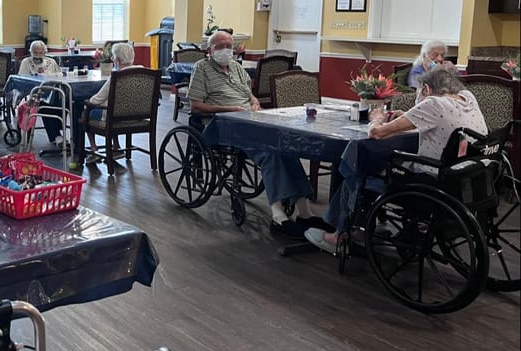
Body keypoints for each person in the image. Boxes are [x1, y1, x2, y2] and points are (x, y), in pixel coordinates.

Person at [305, 68, 488, 252]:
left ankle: (340, 235)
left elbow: (376, 133)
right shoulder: (468, 98)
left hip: (431, 184)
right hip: (464, 180)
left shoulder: (434, 103)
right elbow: (442, 123)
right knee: (371, 164)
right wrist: (409, 116)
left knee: (360, 169)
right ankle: (362, 227)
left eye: (417, 92)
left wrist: (377, 118)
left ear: (426, 89)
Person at [188, 30, 324, 239]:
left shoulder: (236, 68)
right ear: (210, 50)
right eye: (220, 46)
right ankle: (279, 216)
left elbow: (250, 96)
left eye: (229, 46)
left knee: (285, 149)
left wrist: (255, 104)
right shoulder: (202, 69)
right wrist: (231, 110)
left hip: (249, 119)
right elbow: (195, 105)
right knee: (268, 153)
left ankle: (305, 212)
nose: (225, 50)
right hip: (222, 123)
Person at [82, 42, 142, 164]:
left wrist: (86, 102)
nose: (112, 59)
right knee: (114, 107)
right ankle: (116, 147)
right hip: (139, 117)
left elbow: (96, 100)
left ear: (117, 60)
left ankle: (93, 149)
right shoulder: (143, 72)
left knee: (86, 112)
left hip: (115, 118)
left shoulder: (116, 76)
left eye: (113, 57)